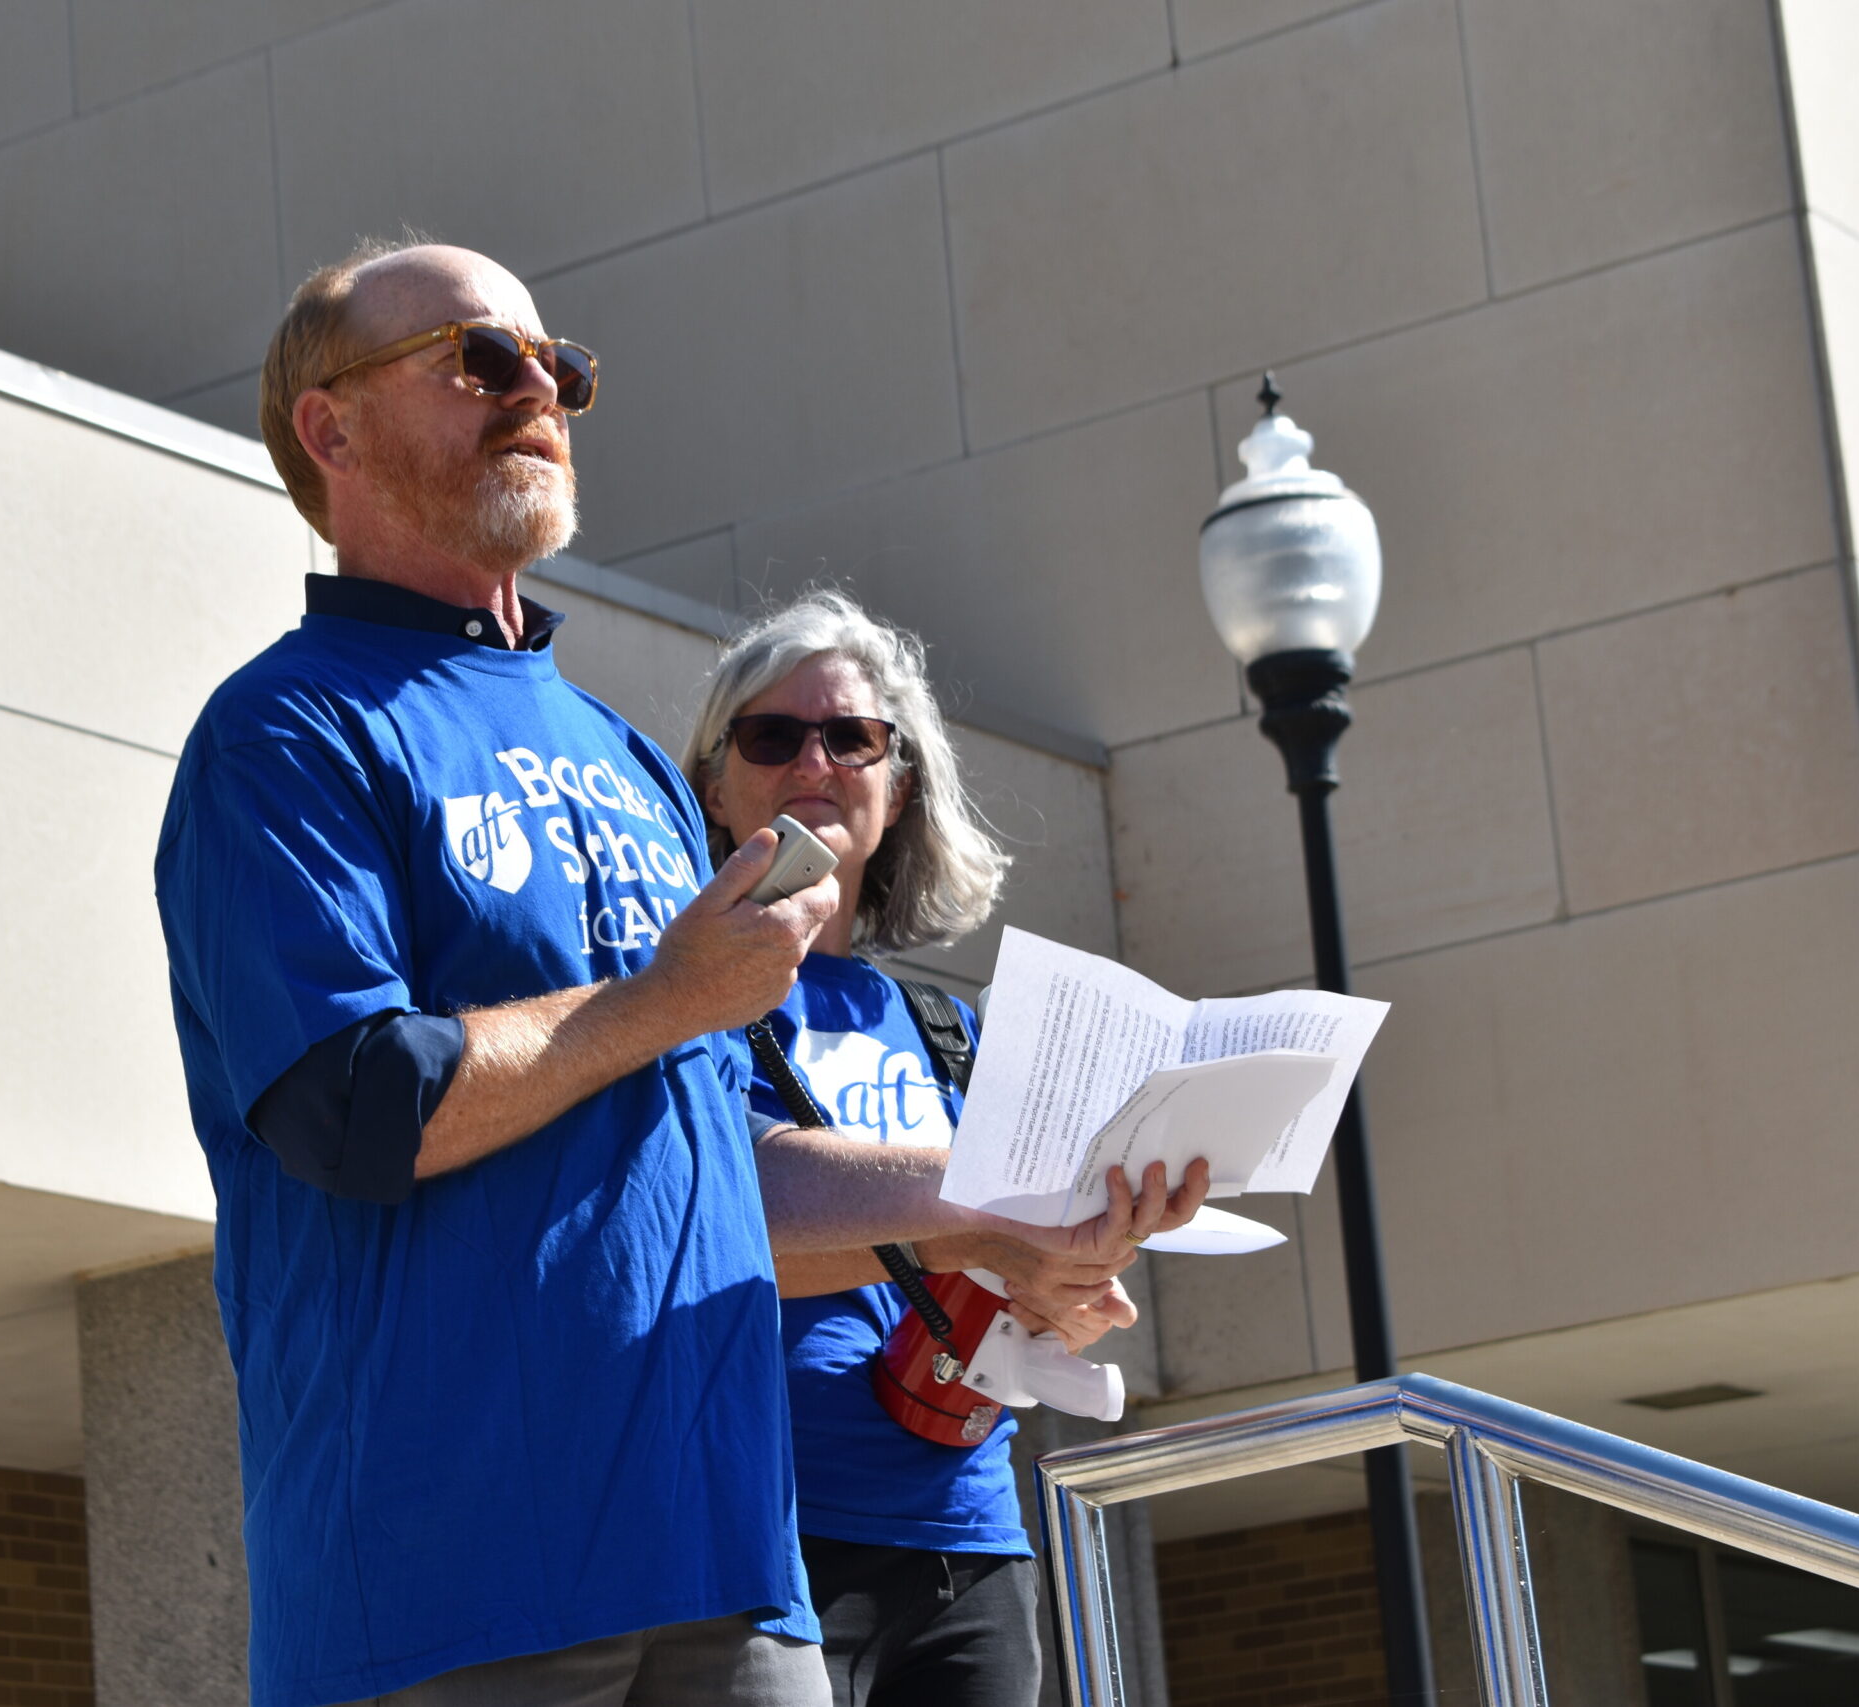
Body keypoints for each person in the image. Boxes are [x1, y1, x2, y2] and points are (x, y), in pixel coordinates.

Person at [157, 240, 1184, 1707]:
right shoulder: (286, 734)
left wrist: (994, 1215)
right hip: (450, 1585)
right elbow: (353, 1103)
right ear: (331, 429)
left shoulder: (633, 764)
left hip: (735, 1578)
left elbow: (716, 1159)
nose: (539, 393)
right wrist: (658, 999)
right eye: (480, 360)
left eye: (556, 367)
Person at [682, 591, 1210, 1707]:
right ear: (716, 790)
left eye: (851, 737)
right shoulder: (679, 1001)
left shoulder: (943, 1028)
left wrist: (1074, 1272)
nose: (812, 760)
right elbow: (719, 1231)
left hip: (968, 1536)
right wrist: (983, 1227)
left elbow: (1003, 1253)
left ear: (899, 782)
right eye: (771, 736)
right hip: (754, 1541)